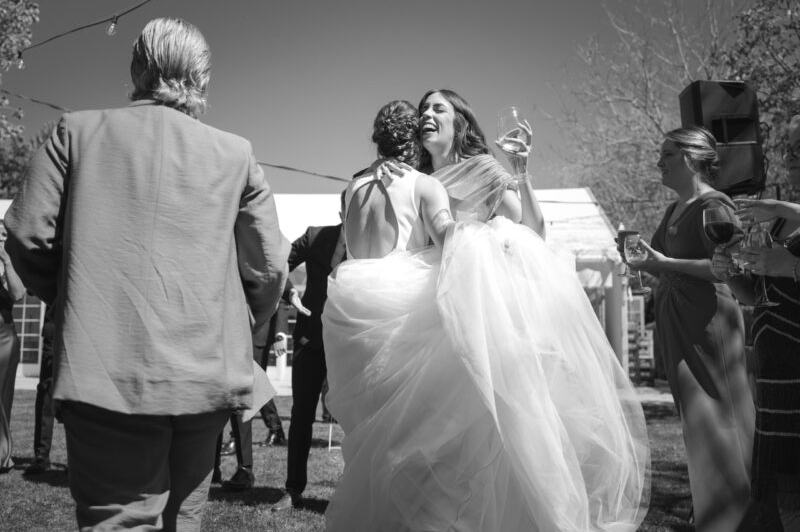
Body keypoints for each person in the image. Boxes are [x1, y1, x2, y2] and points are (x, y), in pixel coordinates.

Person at [4, 18, 288, 531]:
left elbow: (27, 236)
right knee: (185, 520)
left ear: (137, 69)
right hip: (205, 374)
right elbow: (267, 268)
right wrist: (240, 321)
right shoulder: (236, 153)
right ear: (203, 79)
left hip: (106, 367)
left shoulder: (75, 132)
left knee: (119, 521)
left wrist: (75, 298)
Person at [321, 96, 649, 531]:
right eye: (423, 110)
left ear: (459, 122)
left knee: (472, 442)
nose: (427, 115)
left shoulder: (482, 168)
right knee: (419, 448)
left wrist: (521, 171)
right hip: (420, 324)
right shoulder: (414, 176)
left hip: (474, 318)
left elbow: (531, 232)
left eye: (438, 109)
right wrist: (380, 169)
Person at [630, 127, 756, 531]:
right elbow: (661, 262)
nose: (659, 162)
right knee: (695, 425)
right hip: (677, 323)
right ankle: (713, 514)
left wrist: (664, 264)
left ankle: (737, 517)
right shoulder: (673, 210)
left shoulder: (714, 205)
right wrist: (645, 266)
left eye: (666, 154)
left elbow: (730, 267)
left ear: (689, 158)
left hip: (709, 325)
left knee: (720, 419)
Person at [712, 115, 800, 531]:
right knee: (785, 501)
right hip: (776, 375)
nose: (791, 158)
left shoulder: (783, 213)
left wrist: (792, 267)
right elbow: (759, 296)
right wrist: (730, 274)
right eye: (789, 149)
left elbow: (786, 271)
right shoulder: (779, 222)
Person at [269, 224, 348, 512]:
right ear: (342, 211)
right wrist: (289, 292)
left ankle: (352, 493)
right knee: (301, 414)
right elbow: (277, 261)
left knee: (355, 420)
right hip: (309, 339)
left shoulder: (374, 244)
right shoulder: (316, 237)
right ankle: (293, 489)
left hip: (349, 343)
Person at [213, 303, 290, 490]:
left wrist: (280, 333)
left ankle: (245, 469)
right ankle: (212, 468)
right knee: (216, 399)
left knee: (243, 398)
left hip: (253, 333)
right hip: (220, 333)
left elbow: (280, 293)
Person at [0, 224, 26, 473]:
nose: (0, 238)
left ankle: (2, 454)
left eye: (4, 234)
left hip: (4, 339)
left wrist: (6, 261)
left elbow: (18, 295)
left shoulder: (12, 263)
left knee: (2, 395)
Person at [23, 304, 60, 476]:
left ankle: (77, 459)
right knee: (46, 393)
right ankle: (41, 456)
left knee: (79, 397)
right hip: (53, 329)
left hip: (80, 331)